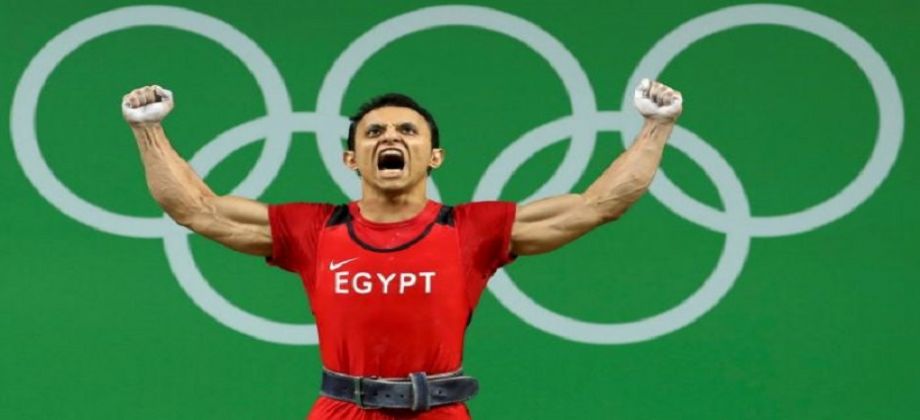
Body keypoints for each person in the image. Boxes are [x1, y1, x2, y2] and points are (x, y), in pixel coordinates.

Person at [122, 79, 682, 419]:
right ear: (352, 159)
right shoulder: (315, 229)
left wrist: (657, 126)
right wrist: (148, 130)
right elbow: (197, 208)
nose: (390, 137)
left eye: (408, 132)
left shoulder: (472, 230)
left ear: (435, 157)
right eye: (374, 133)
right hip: (341, 413)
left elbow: (596, 205)